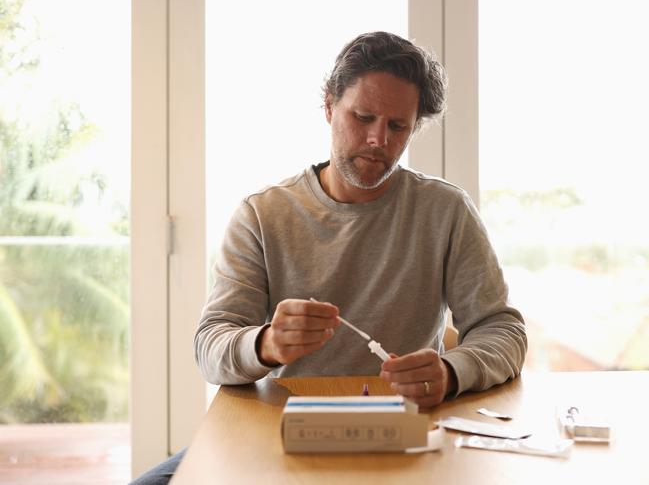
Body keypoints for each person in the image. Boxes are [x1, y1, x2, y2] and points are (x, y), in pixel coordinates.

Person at [131, 30, 526, 484]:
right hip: (277, 436)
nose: (378, 139)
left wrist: (451, 372)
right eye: (363, 116)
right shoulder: (262, 215)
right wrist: (266, 343)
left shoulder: (446, 212)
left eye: (398, 126)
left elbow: (502, 329)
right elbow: (210, 348)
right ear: (328, 106)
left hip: (402, 436)